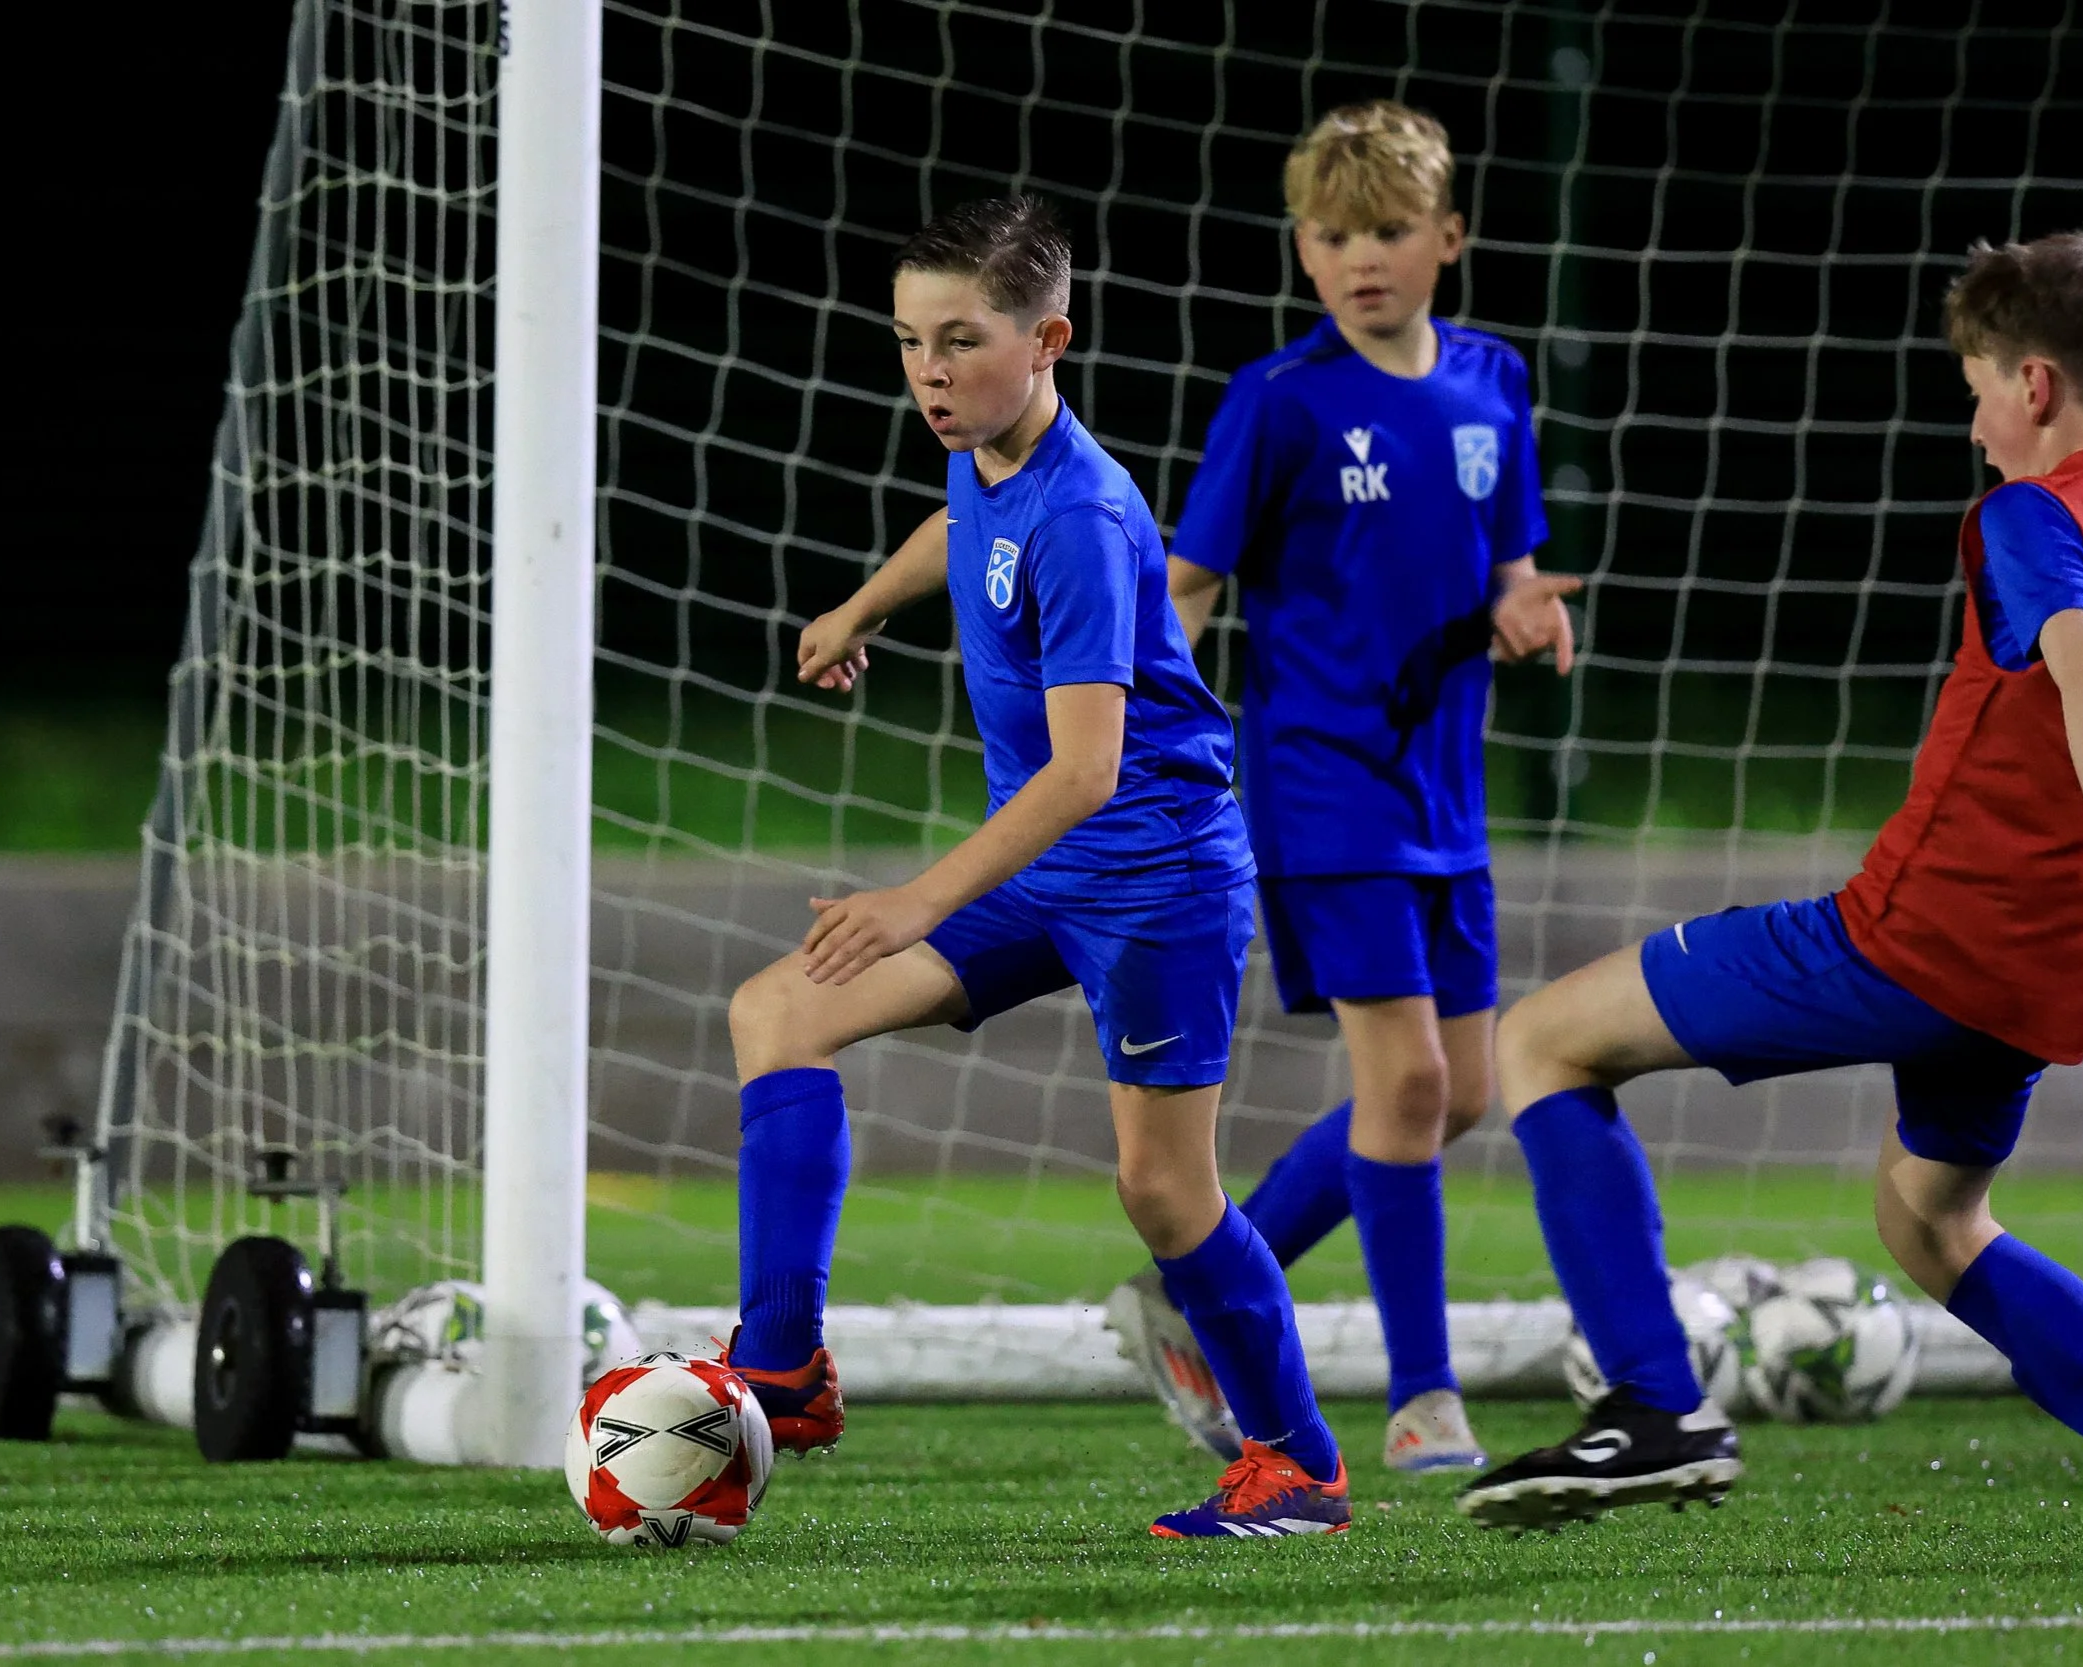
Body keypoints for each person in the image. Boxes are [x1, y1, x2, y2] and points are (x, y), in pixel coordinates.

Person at [722, 195, 1350, 1538]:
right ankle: (781, 1369)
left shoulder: (1082, 516)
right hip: (1050, 866)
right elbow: (959, 533)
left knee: (1161, 1187)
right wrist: (857, 605)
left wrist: (915, 900)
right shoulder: (983, 451)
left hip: (1154, 875)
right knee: (778, 1012)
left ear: (1048, 337)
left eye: (960, 340)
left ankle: (1296, 1466)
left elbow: (1085, 772)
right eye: (907, 341)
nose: (929, 372)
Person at [1458, 231, 2083, 1530]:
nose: (1973, 430)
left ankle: (1650, 1406)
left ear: (2031, 386)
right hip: (2031, 972)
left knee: (1541, 1041)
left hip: (1917, 938)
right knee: (1926, 1217)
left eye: (1974, 392)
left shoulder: (2038, 511)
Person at [1105, 101, 1579, 1473]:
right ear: (1302, 253)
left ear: (1447, 238)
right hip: (1320, 783)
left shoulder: (1492, 382)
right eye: (1332, 234)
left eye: (1386, 230)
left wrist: (1526, 612)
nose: (1360, 257)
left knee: (1460, 1087)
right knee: (1411, 1076)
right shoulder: (1279, 401)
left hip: (1445, 796)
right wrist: (1130, 749)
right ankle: (1422, 1399)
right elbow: (1183, 589)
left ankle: (1190, 1277)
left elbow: (1505, 565)